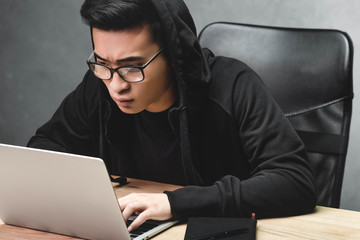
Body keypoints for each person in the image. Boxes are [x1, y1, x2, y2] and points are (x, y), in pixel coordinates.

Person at [27, 0, 317, 232]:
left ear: (174, 55)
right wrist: (93, 198)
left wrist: (176, 203)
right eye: (102, 64)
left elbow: (294, 182)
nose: (117, 85)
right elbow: (45, 149)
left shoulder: (234, 85)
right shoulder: (100, 85)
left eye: (132, 67)